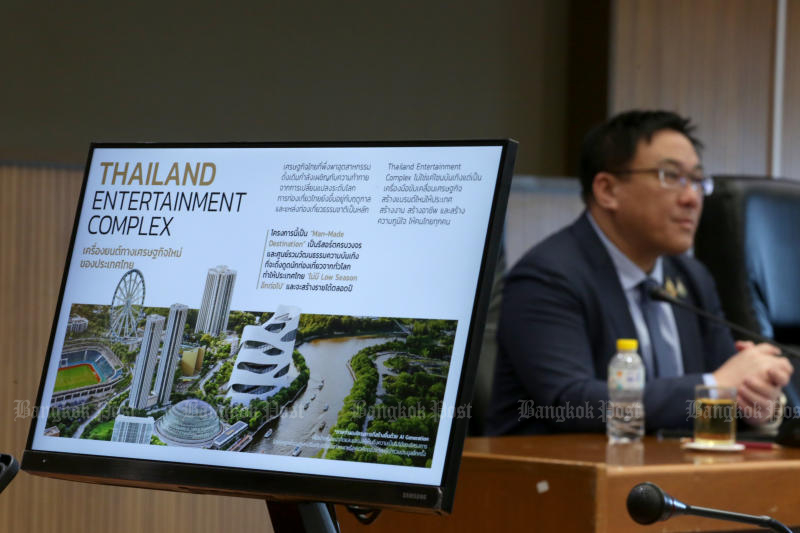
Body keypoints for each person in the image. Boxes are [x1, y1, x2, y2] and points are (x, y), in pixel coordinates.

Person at [488, 110, 793, 435]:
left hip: (673, 473)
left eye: (697, 180)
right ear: (607, 190)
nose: (691, 198)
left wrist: (760, 402)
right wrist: (713, 386)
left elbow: (730, 381)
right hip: (558, 478)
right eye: (670, 176)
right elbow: (570, 402)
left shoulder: (691, 277)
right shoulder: (548, 277)